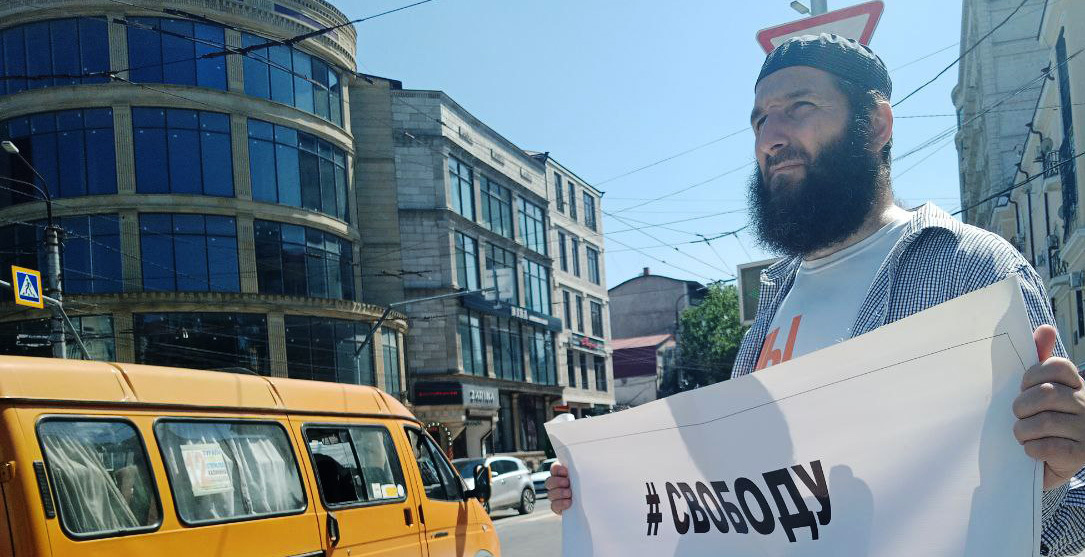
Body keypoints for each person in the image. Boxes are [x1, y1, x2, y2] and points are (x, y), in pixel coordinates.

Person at [546, 33, 1085, 556]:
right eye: (760, 120)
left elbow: (1067, 514)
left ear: (875, 126)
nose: (770, 137)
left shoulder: (974, 269)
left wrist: (1056, 475)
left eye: (798, 107)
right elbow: (735, 495)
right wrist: (598, 491)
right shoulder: (772, 299)